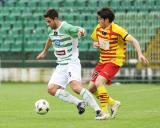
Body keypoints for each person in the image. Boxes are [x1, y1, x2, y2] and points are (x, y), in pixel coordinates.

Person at [36, 8, 107, 120]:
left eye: (49, 21)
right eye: (46, 22)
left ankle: (99, 111)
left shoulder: (67, 28)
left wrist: (81, 32)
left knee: (75, 87)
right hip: (61, 64)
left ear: (55, 18)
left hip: (71, 62)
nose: (48, 24)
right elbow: (50, 39)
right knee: (51, 89)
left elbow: (81, 30)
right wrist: (44, 52)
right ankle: (79, 103)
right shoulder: (50, 29)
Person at [88, 7, 149, 119]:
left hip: (114, 61)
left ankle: (104, 112)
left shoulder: (117, 30)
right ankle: (113, 103)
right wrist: (95, 44)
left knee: (99, 82)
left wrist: (140, 54)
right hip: (102, 61)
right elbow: (95, 41)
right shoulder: (98, 28)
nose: (98, 21)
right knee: (91, 88)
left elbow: (134, 40)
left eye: (100, 19)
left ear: (106, 20)